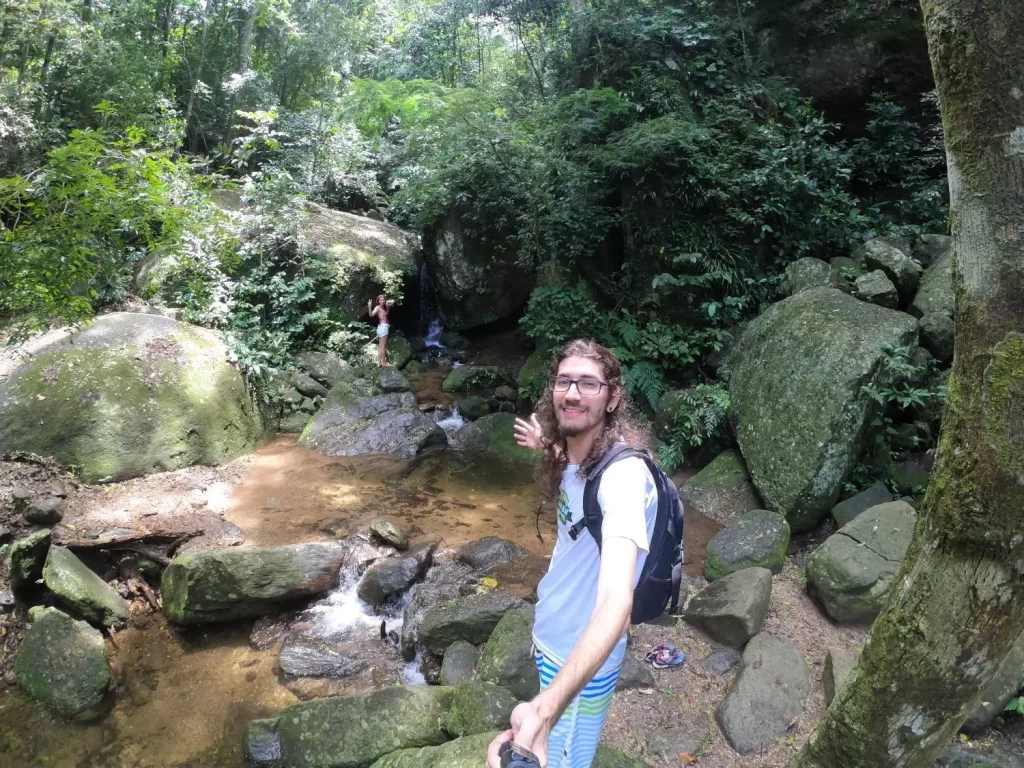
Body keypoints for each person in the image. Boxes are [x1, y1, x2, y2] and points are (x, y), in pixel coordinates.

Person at [488, 339, 657, 768]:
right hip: (555, 641)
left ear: (613, 396)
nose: (573, 393)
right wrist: (547, 446)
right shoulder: (584, 458)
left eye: (589, 383)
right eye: (565, 381)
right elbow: (574, 465)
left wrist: (546, 709)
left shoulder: (622, 479)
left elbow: (617, 601)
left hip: (578, 660)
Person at [367, 294, 395, 367]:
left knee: (380, 346)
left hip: (382, 327)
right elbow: (371, 315)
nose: (382, 301)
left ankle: (379, 362)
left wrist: (385, 300)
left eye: (383, 300)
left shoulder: (386, 307)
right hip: (383, 328)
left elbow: (393, 301)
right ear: (378, 301)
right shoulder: (378, 307)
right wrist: (369, 306)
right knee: (383, 346)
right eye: (380, 300)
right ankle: (384, 363)